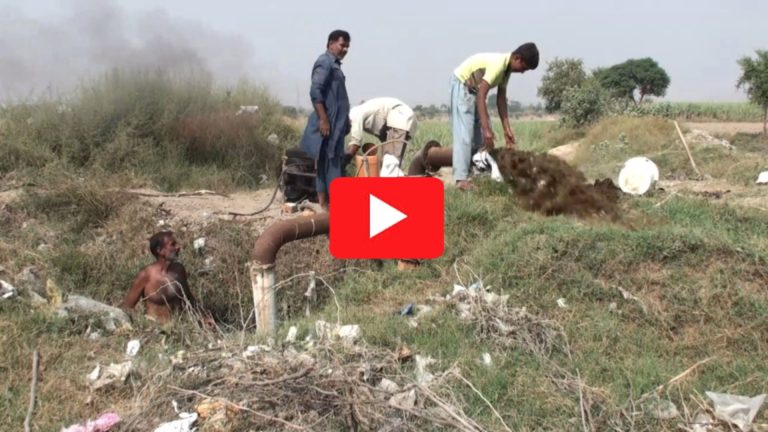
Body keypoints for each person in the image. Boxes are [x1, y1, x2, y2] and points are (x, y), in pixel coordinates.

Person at [449, 43, 539, 190]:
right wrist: (486, 129)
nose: (523, 73)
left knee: (480, 139)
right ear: (517, 58)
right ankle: (461, 179)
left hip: (474, 90)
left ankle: (476, 173)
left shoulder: (506, 71)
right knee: (465, 134)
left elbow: (501, 99)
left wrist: (506, 130)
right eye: (524, 68)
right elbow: (481, 95)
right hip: (462, 85)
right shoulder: (498, 65)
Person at [299, 29, 352, 210]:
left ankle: (324, 207)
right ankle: (336, 208)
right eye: (342, 44)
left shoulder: (335, 65)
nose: (345, 49)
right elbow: (316, 91)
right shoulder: (325, 62)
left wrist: (347, 120)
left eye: (347, 46)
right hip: (329, 126)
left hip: (336, 125)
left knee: (323, 165)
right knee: (333, 165)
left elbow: (338, 99)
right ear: (330, 44)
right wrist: (323, 119)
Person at [121, 231, 213, 327]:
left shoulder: (179, 270)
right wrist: (140, 327)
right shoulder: (146, 276)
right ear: (160, 250)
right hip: (156, 330)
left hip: (182, 328)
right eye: (173, 244)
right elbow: (127, 307)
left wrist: (203, 317)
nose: (178, 247)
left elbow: (189, 299)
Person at [344, 97, 417, 176]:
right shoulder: (359, 112)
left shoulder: (354, 115)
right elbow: (383, 134)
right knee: (391, 164)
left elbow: (355, 143)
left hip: (400, 116)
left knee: (390, 165)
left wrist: (343, 164)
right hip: (402, 118)